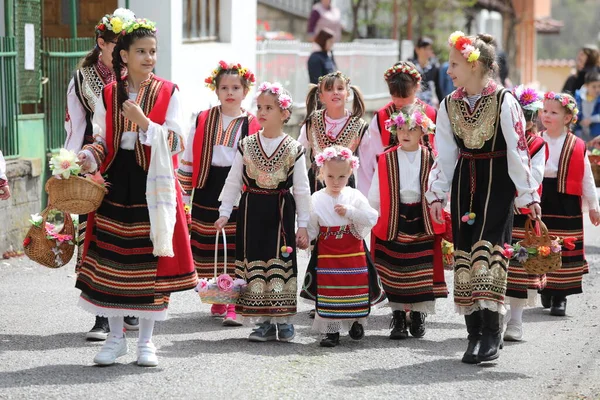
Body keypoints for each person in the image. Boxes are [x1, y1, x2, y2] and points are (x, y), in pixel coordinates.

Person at [76, 18, 197, 367]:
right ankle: (116, 339)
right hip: (116, 183)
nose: (148, 57)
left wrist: (145, 123)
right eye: (141, 51)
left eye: (153, 51)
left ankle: (146, 343)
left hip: (152, 183)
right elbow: (102, 141)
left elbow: (175, 141)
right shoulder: (109, 93)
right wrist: (87, 157)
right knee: (112, 263)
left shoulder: (168, 92)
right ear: (123, 56)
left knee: (149, 263)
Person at [426, 31, 541, 364]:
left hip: (496, 186)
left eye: (454, 64)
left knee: (488, 255)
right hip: (465, 186)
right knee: (464, 255)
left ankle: (491, 333)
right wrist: (436, 194)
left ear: (475, 66)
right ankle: (473, 334)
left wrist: (528, 196)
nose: (448, 71)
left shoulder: (505, 101)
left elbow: (519, 151)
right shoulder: (449, 105)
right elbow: (443, 153)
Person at [64, 8, 139, 342]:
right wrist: (69, 167)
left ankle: (133, 306)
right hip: (94, 162)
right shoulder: (82, 79)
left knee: (133, 232)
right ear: (102, 43)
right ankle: (101, 316)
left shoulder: (138, 75)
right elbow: (75, 127)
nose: (124, 52)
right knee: (94, 237)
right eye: (117, 44)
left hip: (132, 163)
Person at [215, 82, 311, 342]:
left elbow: (302, 189)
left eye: (269, 107)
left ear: (284, 113)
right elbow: (233, 181)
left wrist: (304, 225)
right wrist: (225, 211)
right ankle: (264, 322)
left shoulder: (294, 148)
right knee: (255, 261)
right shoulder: (246, 145)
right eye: (260, 107)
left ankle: (284, 320)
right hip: (251, 211)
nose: (263, 112)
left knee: (280, 263)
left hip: (280, 213)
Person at [177, 61, 260, 326]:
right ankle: (217, 296)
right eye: (224, 87)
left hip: (237, 186)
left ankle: (234, 303)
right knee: (208, 244)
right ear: (216, 90)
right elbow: (189, 154)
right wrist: (186, 195)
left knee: (235, 246)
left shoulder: (252, 122)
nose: (230, 92)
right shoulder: (203, 118)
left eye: (236, 87)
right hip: (207, 183)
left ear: (245, 91)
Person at [369, 104, 447, 340]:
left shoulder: (432, 157)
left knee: (419, 271)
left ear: (423, 131)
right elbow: (375, 192)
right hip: (393, 218)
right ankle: (399, 317)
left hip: (421, 219)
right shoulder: (386, 158)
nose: (405, 133)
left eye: (412, 128)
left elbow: (440, 187)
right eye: (401, 128)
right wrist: (372, 215)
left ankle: (418, 314)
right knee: (393, 270)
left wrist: (443, 209)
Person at [302, 145, 384, 347]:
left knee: (354, 288)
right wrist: (303, 237)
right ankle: (332, 332)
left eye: (341, 177)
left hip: (352, 253)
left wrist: (350, 212)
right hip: (328, 255)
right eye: (330, 177)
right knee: (330, 291)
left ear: (350, 174)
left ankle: (356, 321)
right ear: (321, 173)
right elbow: (312, 227)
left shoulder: (354, 196)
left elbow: (372, 217)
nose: (336, 182)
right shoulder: (316, 199)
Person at [537, 91, 600, 317]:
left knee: (565, 245)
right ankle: (545, 285)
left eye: (553, 112)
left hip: (567, 202)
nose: (546, 115)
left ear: (567, 118)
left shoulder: (577, 144)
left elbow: (586, 177)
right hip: (542, 198)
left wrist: (593, 205)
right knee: (542, 243)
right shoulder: (536, 140)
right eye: (544, 110)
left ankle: (560, 296)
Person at [504, 86, 547, 342]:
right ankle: (497, 317)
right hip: (498, 211)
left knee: (520, 268)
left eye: (529, 115)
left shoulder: (537, 144)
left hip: (522, 214)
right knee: (500, 265)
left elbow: (536, 176)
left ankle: (516, 321)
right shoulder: (502, 140)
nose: (526, 120)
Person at [361, 62, 438, 196]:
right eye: (395, 97)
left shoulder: (431, 114)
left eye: (405, 97)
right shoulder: (381, 117)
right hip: (391, 185)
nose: (400, 102)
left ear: (417, 87)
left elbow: (439, 152)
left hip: (426, 183)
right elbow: (371, 159)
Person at [299, 70, 368, 194]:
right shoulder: (312, 122)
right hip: (316, 185)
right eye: (329, 89)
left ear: (347, 94)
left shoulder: (359, 126)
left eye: (340, 88)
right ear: (321, 96)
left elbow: (366, 166)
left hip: (345, 187)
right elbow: (298, 155)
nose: (335, 92)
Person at [409, 37, 443, 107]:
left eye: (429, 49)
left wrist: (440, 102)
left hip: (429, 104)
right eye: (425, 48)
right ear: (417, 49)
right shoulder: (411, 66)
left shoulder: (434, 67)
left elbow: (437, 87)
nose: (427, 51)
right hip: (413, 104)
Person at [574, 70, 600, 143]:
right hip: (581, 133)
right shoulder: (578, 97)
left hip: (596, 135)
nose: (597, 89)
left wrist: (591, 119)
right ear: (586, 86)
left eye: (599, 86)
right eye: (594, 87)